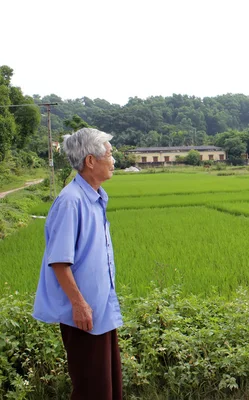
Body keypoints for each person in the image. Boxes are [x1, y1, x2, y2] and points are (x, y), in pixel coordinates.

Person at [33, 128, 123, 400]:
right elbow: (59, 262)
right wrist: (80, 304)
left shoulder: (95, 197)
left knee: (108, 386)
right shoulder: (71, 201)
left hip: (100, 310)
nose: (113, 161)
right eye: (109, 154)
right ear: (90, 161)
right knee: (91, 389)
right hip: (84, 316)